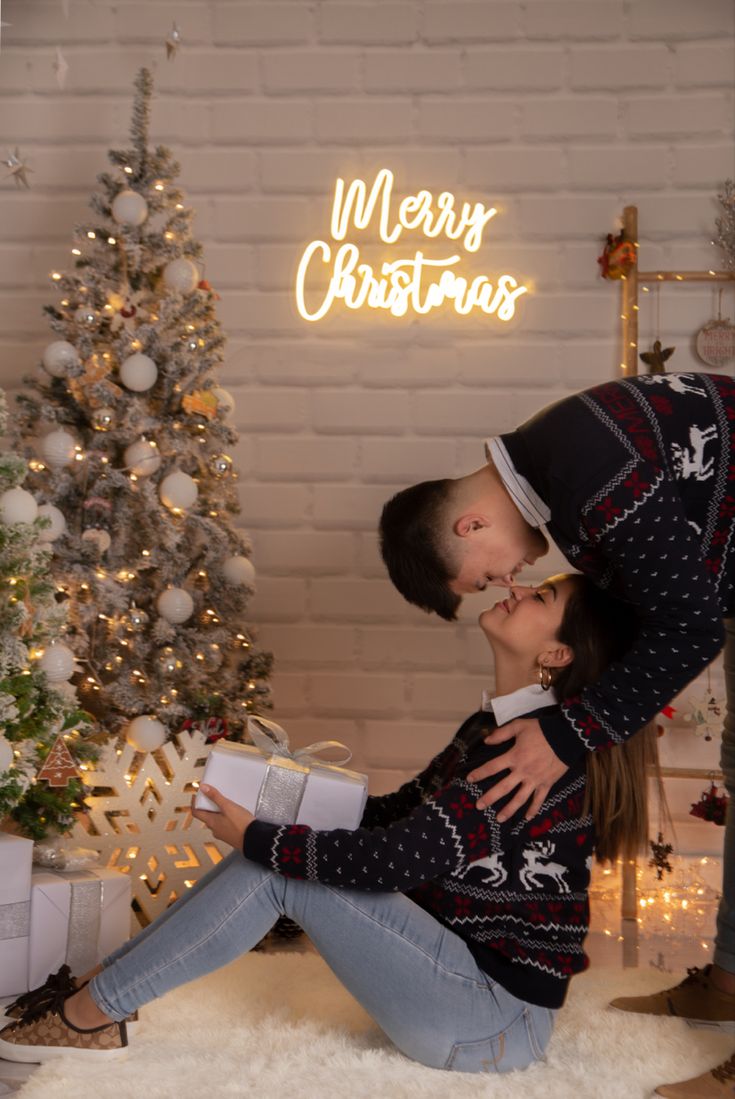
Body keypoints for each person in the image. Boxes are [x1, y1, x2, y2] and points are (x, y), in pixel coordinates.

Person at [1, 574, 654, 1076]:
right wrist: (274, 801)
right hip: (467, 989)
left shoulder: (526, 755)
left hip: (490, 1021)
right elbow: (399, 813)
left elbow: (398, 859)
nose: (514, 587)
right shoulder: (493, 730)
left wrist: (261, 836)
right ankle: (99, 991)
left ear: (556, 651)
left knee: (281, 869)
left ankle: (91, 1013)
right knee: (275, 857)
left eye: (539, 593)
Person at [378, 370, 735, 1098]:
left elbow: (689, 628)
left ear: (468, 526)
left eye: (481, 579)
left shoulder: (586, 474)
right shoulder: (555, 463)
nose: (508, 580)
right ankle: (729, 985)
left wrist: (570, 734)